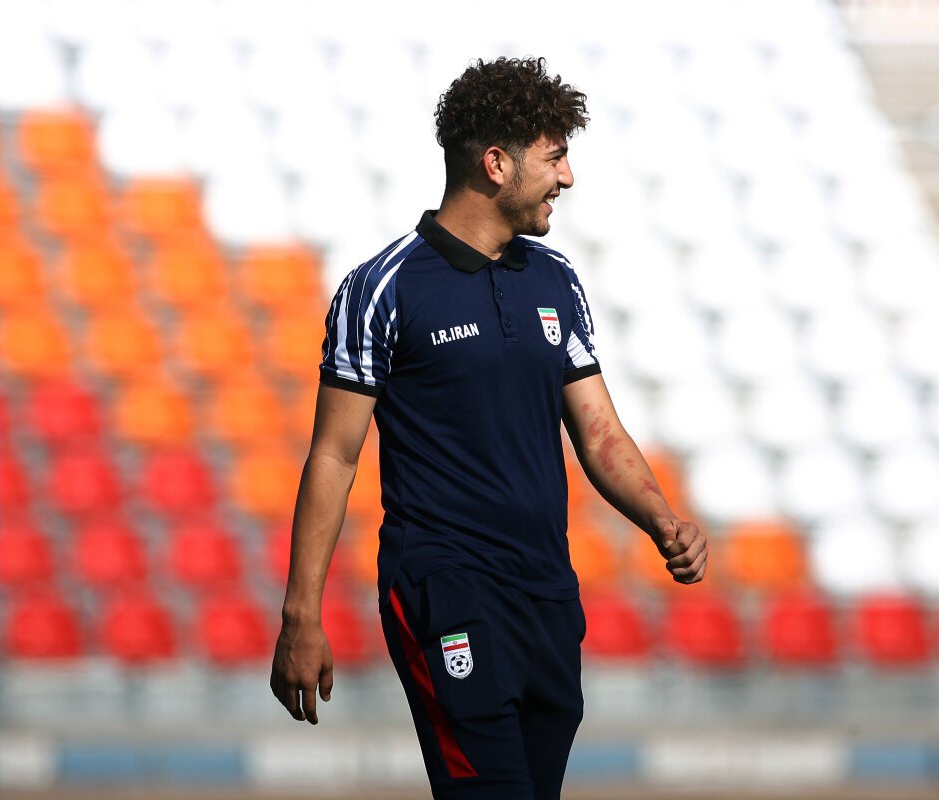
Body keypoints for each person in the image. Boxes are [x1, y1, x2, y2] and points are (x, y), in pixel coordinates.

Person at [269, 56, 707, 799]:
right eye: (555, 157)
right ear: (497, 164)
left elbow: (599, 429)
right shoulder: (382, 289)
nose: (568, 178)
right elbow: (335, 456)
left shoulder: (556, 279)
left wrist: (662, 518)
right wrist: (300, 615)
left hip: (547, 591)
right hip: (445, 588)